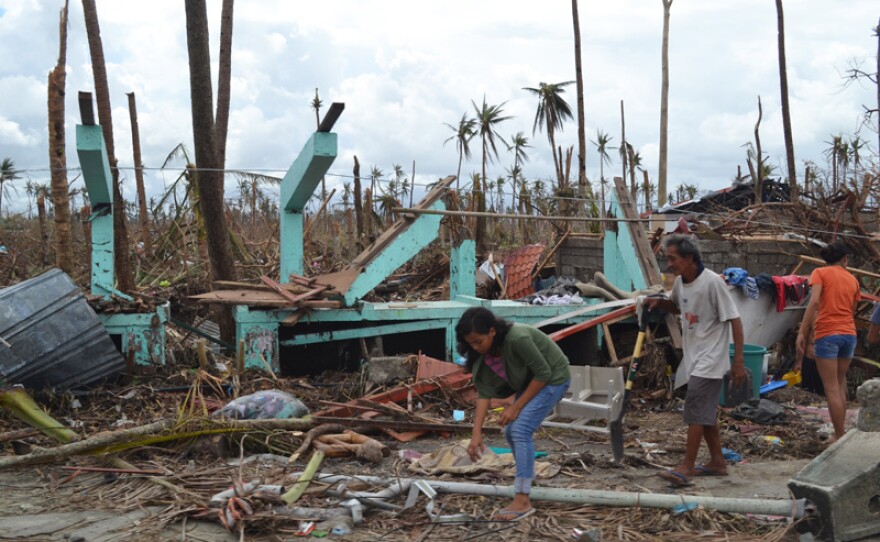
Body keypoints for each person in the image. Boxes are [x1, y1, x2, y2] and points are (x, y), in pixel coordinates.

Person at [645, 234, 745, 487]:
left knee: (694, 411)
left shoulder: (713, 283)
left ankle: (687, 466)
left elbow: (735, 319)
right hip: (694, 357)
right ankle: (717, 462)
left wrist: (738, 362)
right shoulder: (681, 282)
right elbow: (678, 307)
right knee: (705, 413)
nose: (669, 264)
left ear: (689, 258)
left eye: (672, 258)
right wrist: (660, 303)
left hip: (711, 359)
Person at [455, 307, 571, 521]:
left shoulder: (517, 338)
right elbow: (484, 393)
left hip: (554, 378)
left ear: (491, 331)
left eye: (477, 341)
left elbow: (544, 373)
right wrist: (476, 433)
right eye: (470, 343)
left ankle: (522, 499)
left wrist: (515, 407)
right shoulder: (485, 353)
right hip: (532, 382)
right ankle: (527, 481)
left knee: (520, 430)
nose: (474, 347)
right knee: (510, 432)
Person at [795, 240, 860, 442]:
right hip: (849, 334)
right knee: (839, 384)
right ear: (845, 259)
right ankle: (841, 433)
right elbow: (852, 311)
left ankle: (839, 435)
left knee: (831, 387)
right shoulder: (853, 280)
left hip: (828, 333)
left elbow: (814, 302)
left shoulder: (820, 273)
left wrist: (802, 332)